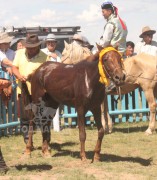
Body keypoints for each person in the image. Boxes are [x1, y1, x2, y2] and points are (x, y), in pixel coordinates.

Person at [12, 34, 48, 147]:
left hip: (40, 93)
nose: (30, 49)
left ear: (38, 46)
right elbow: (14, 67)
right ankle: (28, 141)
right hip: (22, 91)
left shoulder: (45, 57)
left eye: (33, 47)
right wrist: (19, 76)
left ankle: (46, 141)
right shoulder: (19, 53)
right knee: (24, 118)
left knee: (43, 118)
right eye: (28, 47)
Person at [99, 1, 128, 93]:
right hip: (123, 51)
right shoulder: (122, 22)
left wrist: (98, 46)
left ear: (109, 11)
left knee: (97, 61)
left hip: (113, 51)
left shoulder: (110, 24)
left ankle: (110, 84)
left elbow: (105, 41)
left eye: (103, 12)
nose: (102, 14)